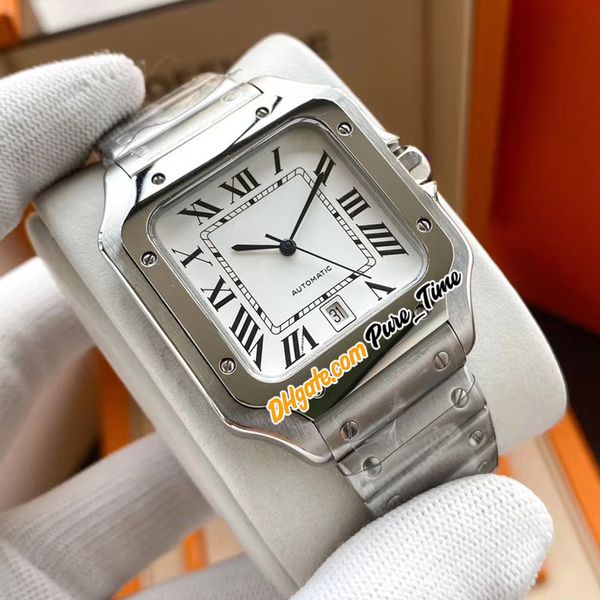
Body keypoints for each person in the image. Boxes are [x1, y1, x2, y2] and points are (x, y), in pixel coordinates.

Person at [0, 54, 552, 600]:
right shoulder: (133, 229)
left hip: (430, 327)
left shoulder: (303, 116)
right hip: (316, 403)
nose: (287, 247)